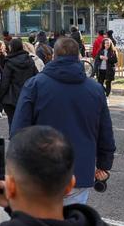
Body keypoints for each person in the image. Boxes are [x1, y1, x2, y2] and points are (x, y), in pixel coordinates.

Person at [10, 38, 114, 206]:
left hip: (41, 170)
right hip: (79, 169)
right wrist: (104, 163)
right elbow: (105, 131)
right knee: (73, 224)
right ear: (79, 56)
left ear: (53, 56)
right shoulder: (95, 89)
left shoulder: (35, 85)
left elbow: (18, 131)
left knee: (41, 225)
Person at [0, 38, 37, 127]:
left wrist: (0, 96)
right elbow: (36, 77)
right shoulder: (30, 60)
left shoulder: (9, 62)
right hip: (28, 95)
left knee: (13, 124)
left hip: (12, 99)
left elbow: (5, 81)